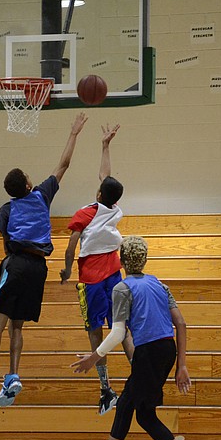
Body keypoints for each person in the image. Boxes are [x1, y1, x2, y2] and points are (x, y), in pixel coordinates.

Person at [0, 112, 89, 407]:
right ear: (27, 183)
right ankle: (12, 376)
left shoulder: (6, 209)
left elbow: (6, 242)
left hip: (15, 263)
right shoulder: (42, 195)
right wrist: (74, 133)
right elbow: (63, 164)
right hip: (39, 268)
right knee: (18, 325)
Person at [71, 236, 191, 440]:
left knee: (128, 404)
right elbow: (180, 324)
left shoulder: (122, 289)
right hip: (168, 351)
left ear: (121, 262)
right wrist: (182, 366)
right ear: (144, 260)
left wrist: (93, 358)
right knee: (143, 413)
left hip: (148, 352)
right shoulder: (160, 285)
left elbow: (118, 333)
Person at [60, 122, 135, 415]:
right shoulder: (115, 210)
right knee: (123, 330)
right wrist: (105, 145)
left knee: (94, 331)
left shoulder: (86, 213)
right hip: (116, 277)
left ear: (99, 193)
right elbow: (106, 176)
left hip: (91, 281)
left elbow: (70, 247)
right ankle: (140, 377)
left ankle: (105, 389)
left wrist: (67, 271)